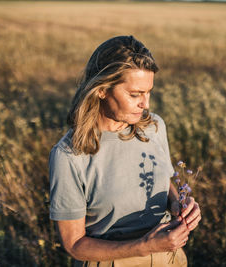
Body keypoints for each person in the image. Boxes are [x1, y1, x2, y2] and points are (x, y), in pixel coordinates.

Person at [49, 35, 201, 267]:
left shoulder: (154, 127)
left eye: (148, 92)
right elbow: (75, 245)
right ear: (101, 90)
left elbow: (162, 180)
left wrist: (176, 203)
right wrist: (145, 246)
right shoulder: (69, 155)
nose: (145, 104)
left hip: (170, 258)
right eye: (134, 94)